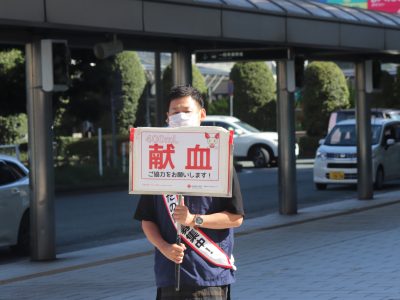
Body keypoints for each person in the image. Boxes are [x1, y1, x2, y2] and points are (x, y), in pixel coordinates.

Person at [134, 85, 245, 300]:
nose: (180, 117)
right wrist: (164, 247)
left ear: (201, 114)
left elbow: (236, 217)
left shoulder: (218, 158)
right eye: (175, 113)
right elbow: (147, 220)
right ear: (167, 117)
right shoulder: (156, 164)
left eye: (186, 111)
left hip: (209, 275)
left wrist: (195, 219)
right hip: (168, 276)